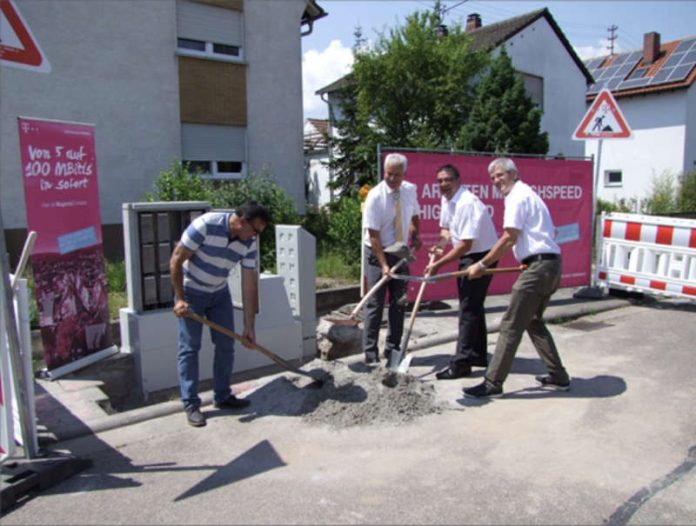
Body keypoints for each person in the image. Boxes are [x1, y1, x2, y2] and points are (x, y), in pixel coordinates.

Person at [462, 158, 571, 398]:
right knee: (533, 321)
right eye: (492, 178)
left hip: (539, 268)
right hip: (549, 265)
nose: (496, 181)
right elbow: (548, 233)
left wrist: (481, 264)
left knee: (510, 325)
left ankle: (492, 383)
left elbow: (509, 237)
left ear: (513, 173)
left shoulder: (517, 196)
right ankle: (559, 377)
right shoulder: (529, 194)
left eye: (500, 175)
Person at [170, 201, 271, 427]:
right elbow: (176, 259)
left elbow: (248, 284)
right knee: (190, 347)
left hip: (219, 292)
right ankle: (191, 404)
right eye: (254, 230)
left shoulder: (249, 242)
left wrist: (249, 327)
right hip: (191, 291)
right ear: (241, 222)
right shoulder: (205, 225)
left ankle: (223, 396)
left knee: (226, 344)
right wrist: (180, 298)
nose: (255, 236)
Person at [424, 164, 498, 379]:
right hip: (470, 253)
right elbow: (446, 230)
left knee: (467, 308)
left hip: (481, 256)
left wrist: (438, 265)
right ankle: (477, 354)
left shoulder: (467, 203)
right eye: (439, 181)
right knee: (473, 305)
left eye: (447, 180)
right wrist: (439, 246)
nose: (443, 185)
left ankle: (462, 363)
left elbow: (465, 244)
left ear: (458, 180)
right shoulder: (447, 200)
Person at [362, 152, 421, 364]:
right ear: (384, 171)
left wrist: (416, 233)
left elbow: (414, 214)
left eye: (397, 175)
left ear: (404, 174)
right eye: (389, 174)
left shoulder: (409, 190)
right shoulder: (375, 196)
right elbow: (374, 234)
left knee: (399, 303)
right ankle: (370, 354)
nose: (393, 179)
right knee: (375, 305)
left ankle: (393, 351)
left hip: (400, 251)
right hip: (378, 251)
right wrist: (384, 265)